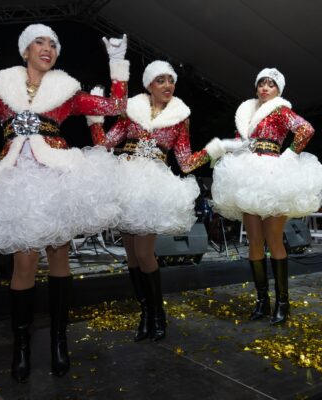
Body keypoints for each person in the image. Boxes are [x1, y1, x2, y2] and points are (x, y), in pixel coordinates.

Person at [0, 24, 130, 382]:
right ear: (25, 50)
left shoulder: (66, 90)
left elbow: (116, 106)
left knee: (59, 258)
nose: (47, 48)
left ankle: (59, 342)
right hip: (16, 180)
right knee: (23, 265)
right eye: (39, 42)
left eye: (53, 44)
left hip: (56, 176)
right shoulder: (0, 87)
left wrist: (117, 62)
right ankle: (21, 348)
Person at [87, 60, 216, 341]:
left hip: (152, 186)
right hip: (125, 181)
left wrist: (213, 151)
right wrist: (95, 120)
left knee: (145, 253)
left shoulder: (180, 118)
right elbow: (104, 145)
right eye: (161, 80)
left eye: (171, 80)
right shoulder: (131, 111)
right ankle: (145, 314)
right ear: (149, 85)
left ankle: (158, 315)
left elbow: (185, 161)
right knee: (132, 255)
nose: (168, 85)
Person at [206, 67, 322, 324]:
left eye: (271, 84)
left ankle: (282, 303)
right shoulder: (246, 114)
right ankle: (262, 301)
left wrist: (289, 154)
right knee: (254, 242)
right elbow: (241, 142)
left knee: (274, 240)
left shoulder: (281, 110)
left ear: (278, 90)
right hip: (249, 174)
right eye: (261, 83)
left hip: (274, 173)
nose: (265, 88)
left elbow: (306, 130)